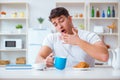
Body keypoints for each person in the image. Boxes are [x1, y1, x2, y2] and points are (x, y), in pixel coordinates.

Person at [35, 7, 109, 67]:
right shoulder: (52, 38)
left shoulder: (89, 36)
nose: (59, 26)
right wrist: (44, 61)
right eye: (55, 24)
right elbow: (38, 59)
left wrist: (78, 41)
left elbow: (104, 56)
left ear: (70, 19)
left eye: (61, 20)